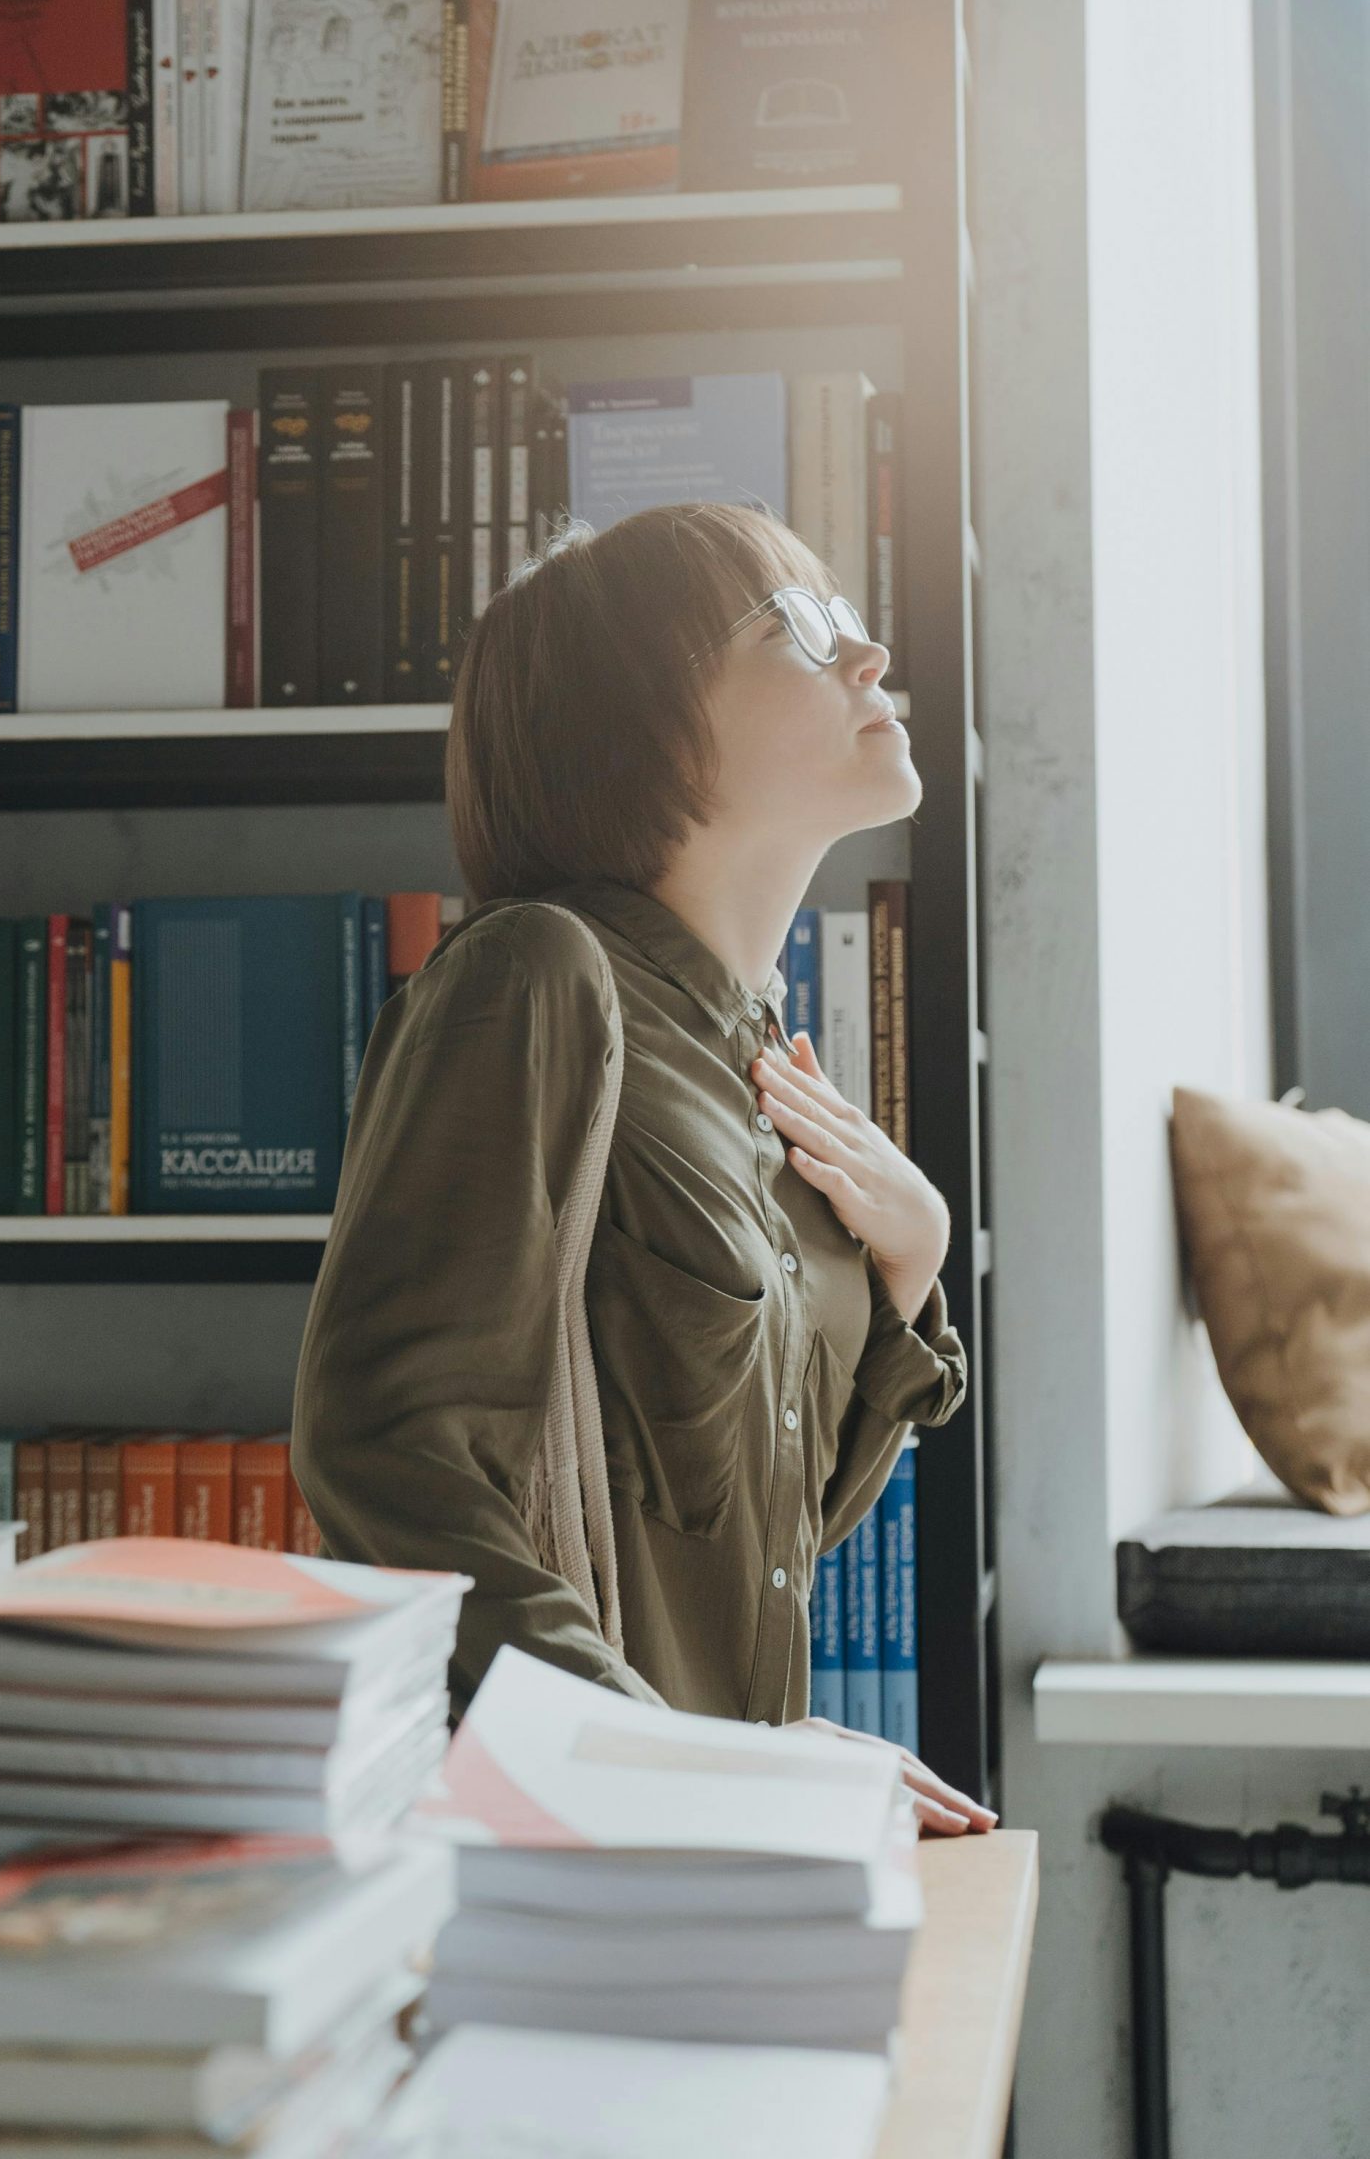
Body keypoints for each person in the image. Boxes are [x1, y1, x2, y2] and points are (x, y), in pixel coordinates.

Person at [293, 501, 995, 1836]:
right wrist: (673, 1769)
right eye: (799, 629)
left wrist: (910, 1267)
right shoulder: (536, 975)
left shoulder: (763, 1067)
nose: (871, 656)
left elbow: (749, 1542)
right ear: (633, 722)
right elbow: (384, 1455)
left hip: (713, 1841)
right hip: (550, 1847)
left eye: (850, 625)